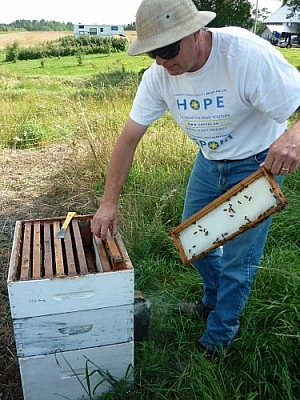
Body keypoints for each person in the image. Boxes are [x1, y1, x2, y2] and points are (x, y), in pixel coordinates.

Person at [91, 0, 300, 356]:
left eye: (168, 49)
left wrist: (293, 137)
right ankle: (215, 301)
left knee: (238, 262)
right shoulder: (158, 76)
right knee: (193, 240)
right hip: (209, 162)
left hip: (255, 166)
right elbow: (128, 139)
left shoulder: (245, 56)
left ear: (194, 32)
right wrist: (108, 203)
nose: (161, 60)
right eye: (152, 53)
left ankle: (217, 339)